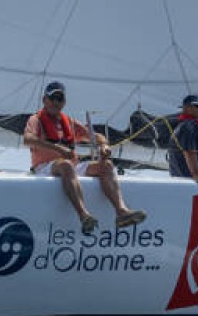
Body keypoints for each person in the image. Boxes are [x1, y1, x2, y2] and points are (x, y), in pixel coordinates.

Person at [24, 81, 146, 235]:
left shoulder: (69, 122)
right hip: (45, 168)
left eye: (60, 98)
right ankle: (83, 215)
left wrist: (104, 145)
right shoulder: (35, 120)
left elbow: (97, 136)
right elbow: (27, 139)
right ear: (45, 100)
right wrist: (58, 148)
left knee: (106, 165)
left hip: (70, 167)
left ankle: (121, 212)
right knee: (66, 165)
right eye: (52, 98)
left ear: (64, 102)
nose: (56, 102)